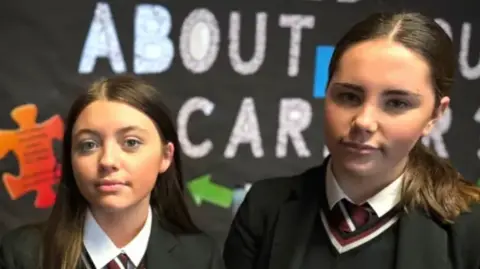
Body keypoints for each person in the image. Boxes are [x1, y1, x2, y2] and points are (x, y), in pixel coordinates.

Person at [223, 11, 480, 269]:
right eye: (349, 97)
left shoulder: (470, 227)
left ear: (435, 115)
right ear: (326, 92)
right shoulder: (265, 208)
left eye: (397, 103)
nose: (364, 122)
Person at [0, 75, 225, 269]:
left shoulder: (199, 257)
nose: (107, 161)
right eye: (89, 145)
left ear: (165, 156)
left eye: (131, 142)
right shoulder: (23, 255)